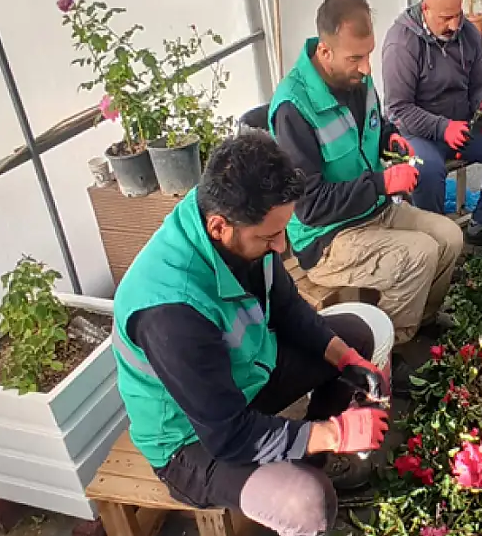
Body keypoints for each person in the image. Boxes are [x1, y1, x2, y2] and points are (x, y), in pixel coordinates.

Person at [112, 132, 391, 536]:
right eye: (268, 237)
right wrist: (335, 432)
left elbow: (290, 308)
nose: (281, 247)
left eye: (282, 231)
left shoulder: (238, 225)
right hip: (192, 438)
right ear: (219, 227)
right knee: (309, 503)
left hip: (247, 377)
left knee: (354, 339)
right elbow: (227, 436)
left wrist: (348, 359)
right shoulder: (171, 311)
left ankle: (298, 457)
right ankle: (293, 467)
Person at [269, 0, 465, 342]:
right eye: (356, 58)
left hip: (375, 210)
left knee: (449, 237)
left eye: (369, 54)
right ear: (324, 51)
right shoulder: (293, 110)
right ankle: (390, 349)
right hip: (328, 238)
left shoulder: (356, 78)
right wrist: (383, 183)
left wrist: (390, 136)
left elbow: (374, 125)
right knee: (419, 254)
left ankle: (422, 321)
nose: (367, 67)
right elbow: (310, 207)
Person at [381, 0, 482, 246]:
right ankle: (434, 242)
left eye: (457, 14)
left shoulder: (468, 33)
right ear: (425, 9)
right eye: (445, 18)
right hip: (418, 133)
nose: (454, 24)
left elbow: (481, 82)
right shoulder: (401, 43)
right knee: (428, 169)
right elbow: (399, 109)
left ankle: (480, 226)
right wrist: (442, 128)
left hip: (462, 126)